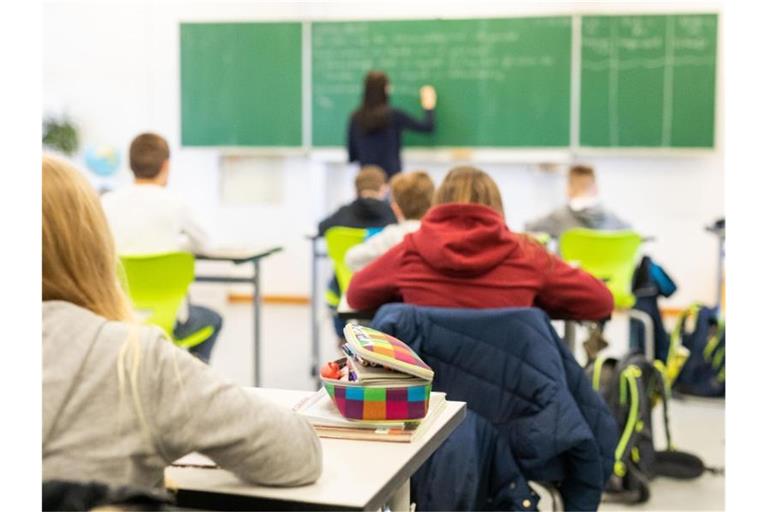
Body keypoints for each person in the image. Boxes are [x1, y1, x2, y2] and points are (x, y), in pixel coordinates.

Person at [42, 155, 322, 489]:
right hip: (161, 321)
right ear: (94, 245)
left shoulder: (113, 200)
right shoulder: (135, 362)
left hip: (133, 317)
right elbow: (299, 454)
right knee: (211, 320)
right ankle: (198, 385)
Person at [346, 166, 614, 321]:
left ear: (437, 203)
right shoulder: (527, 254)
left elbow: (356, 295)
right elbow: (600, 302)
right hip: (513, 405)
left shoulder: (410, 251)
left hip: (433, 406)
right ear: (497, 206)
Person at [102, 133, 221, 363]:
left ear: (130, 165)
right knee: (213, 319)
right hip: (169, 321)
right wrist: (179, 246)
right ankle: (192, 381)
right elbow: (205, 244)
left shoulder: (106, 203)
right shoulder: (176, 204)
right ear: (166, 165)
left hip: (116, 317)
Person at [347, 71, 437, 178]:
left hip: (367, 180)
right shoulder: (394, 116)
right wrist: (429, 103)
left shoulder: (355, 117)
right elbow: (427, 126)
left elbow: (352, 156)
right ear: (385, 89)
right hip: (392, 179)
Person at [345, 170, 434, 272]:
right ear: (432, 204)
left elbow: (351, 258)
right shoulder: (437, 235)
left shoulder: (391, 236)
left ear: (395, 209)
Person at [524, 164, 631, 238]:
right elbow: (631, 233)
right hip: (609, 270)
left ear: (568, 189)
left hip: (572, 270)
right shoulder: (611, 217)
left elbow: (529, 227)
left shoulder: (559, 216)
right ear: (596, 189)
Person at [317, 165, 397, 236]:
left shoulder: (343, 213)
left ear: (356, 189)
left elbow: (321, 228)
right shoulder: (394, 214)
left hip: (349, 253)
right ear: (384, 188)